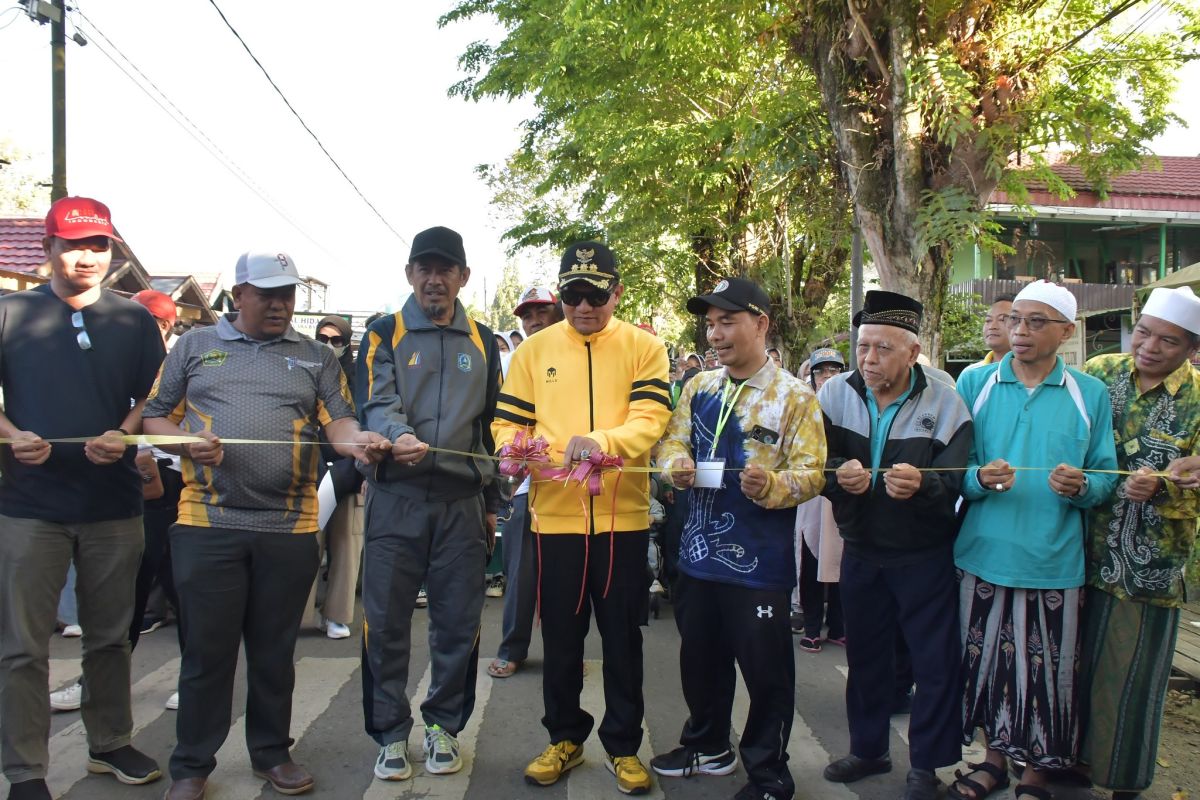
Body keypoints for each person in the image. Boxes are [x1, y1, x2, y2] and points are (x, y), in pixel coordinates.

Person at [143, 250, 389, 800]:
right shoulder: (195, 346)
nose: (280, 304)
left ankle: (271, 754)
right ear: (240, 293)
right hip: (208, 521)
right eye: (269, 293)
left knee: (275, 651)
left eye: (288, 294)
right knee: (207, 653)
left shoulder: (315, 358)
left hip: (292, 524)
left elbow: (341, 424)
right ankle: (191, 766)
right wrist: (183, 443)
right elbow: (156, 415)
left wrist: (362, 445)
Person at [0, 197, 166, 800]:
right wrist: (13, 435)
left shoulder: (133, 320)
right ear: (48, 248)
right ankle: (25, 770)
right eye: (73, 243)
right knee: (22, 647)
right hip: (28, 506)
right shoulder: (11, 313)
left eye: (98, 245)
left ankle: (110, 740)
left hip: (114, 505)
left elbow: (157, 398)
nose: (87, 255)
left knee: (109, 636)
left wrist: (125, 432)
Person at [493, 241, 671, 795]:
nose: (585, 306)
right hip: (555, 520)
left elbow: (651, 419)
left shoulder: (645, 348)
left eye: (597, 295)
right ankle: (564, 738)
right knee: (562, 639)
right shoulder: (532, 351)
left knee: (622, 638)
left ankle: (623, 745)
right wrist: (520, 453)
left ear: (616, 292)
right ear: (562, 294)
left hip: (623, 520)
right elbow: (507, 428)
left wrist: (599, 442)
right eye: (573, 295)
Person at [653, 277, 826, 800]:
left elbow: (814, 472)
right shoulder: (700, 388)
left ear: (761, 324)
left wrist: (774, 485)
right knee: (699, 660)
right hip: (697, 556)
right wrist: (674, 466)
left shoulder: (794, 398)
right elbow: (670, 443)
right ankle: (707, 745)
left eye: (727, 321)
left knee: (765, 673)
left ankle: (770, 772)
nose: (716, 335)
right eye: (710, 324)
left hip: (759, 566)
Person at [953, 280, 1118, 800]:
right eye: (1014, 319)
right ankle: (992, 761)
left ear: (1066, 332)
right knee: (985, 665)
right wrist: (977, 479)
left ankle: (1038, 772)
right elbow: (951, 468)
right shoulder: (975, 382)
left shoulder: (1089, 393)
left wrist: (1084, 486)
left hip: (1053, 559)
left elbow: (1106, 476)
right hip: (981, 553)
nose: (1019, 331)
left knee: (1047, 674)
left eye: (1035, 322)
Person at [355, 226, 502, 782]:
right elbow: (376, 401)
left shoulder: (485, 342)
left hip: (462, 506)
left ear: (463, 276)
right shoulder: (382, 333)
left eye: (446, 270)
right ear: (410, 273)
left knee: (458, 623)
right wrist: (397, 435)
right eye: (424, 268)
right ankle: (390, 733)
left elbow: (490, 428)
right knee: (385, 623)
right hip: (397, 499)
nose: (434, 280)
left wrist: (491, 501)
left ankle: (444, 725)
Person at [818, 290, 973, 800]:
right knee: (866, 657)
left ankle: (927, 766)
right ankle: (868, 750)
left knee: (933, 663)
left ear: (912, 352)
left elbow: (957, 477)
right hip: (861, 548)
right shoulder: (836, 393)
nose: (868, 359)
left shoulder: (945, 399)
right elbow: (814, 463)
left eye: (882, 349)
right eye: (863, 346)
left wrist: (924, 484)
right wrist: (839, 477)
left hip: (923, 554)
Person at [1078, 286, 1200, 800]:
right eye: (1144, 333)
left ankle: (1124, 780)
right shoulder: (1099, 373)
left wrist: (1166, 487)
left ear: (1191, 348)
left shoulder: (1197, 399)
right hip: (1081, 552)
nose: (1149, 347)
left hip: (1150, 569)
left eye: (1167, 342)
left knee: (1131, 679)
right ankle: (1068, 763)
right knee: (1073, 667)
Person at [488, 285, 563, 680]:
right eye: (527, 315)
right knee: (521, 572)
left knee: (566, 577)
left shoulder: (576, 355)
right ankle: (512, 648)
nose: (534, 321)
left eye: (542, 313)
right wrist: (511, 453)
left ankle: (563, 651)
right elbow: (502, 420)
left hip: (576, 484)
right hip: (526, 486)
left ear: (559, 313)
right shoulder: (513, 361)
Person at [305, 314, 364, 641]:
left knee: (346, 541)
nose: (328, 346)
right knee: (305, 544)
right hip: (308, 468)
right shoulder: (303, 367)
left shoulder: (360, 377)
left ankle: (337, 614)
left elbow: (367, 419)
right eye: (323, 339)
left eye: (336, 340)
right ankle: (300, 612)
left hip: (350, 469)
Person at [793, 347, 846, 650]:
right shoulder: (802, 403)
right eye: (821, 371)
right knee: (811, 554)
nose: (827, 377)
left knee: (839, 557)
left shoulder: (852, 403)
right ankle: (812, 624)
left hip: (843, 491)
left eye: (833, 371)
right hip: (812, 492)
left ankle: (839, 625)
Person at [961, 294, 1015, 373]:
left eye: (1002, 320)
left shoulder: (1032, 372)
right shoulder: (971, 374)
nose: (992, 326)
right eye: (988, 320)